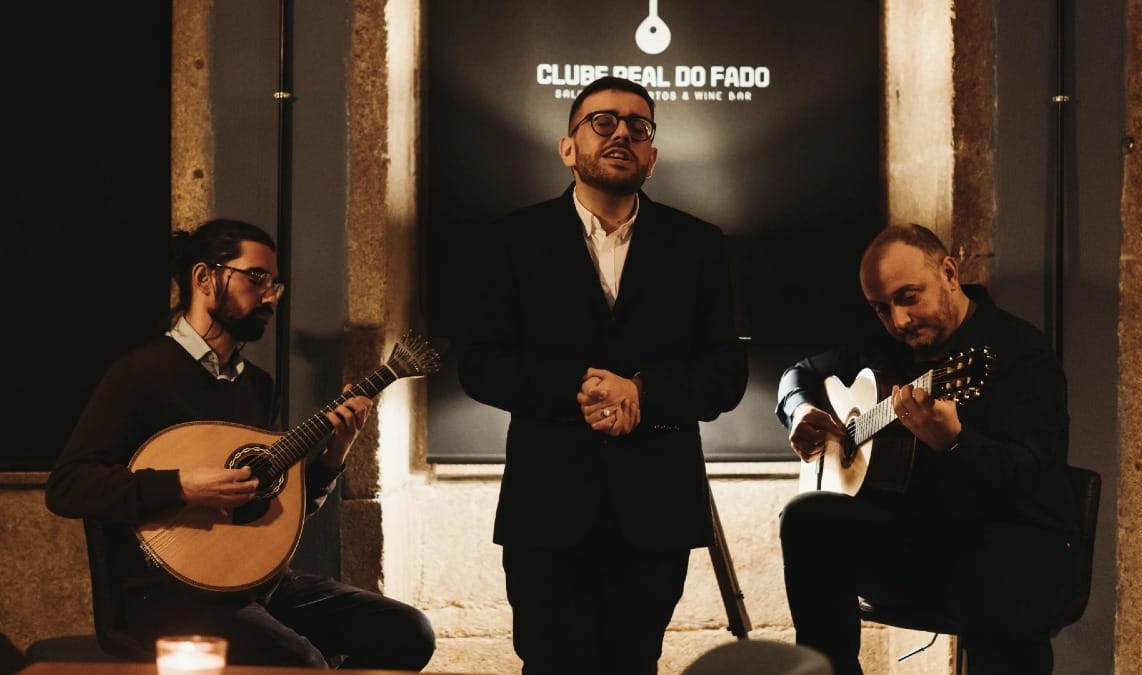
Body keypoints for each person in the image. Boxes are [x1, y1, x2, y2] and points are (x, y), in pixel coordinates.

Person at [452, 76, 749, 674]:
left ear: (653, 156)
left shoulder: (699, 245)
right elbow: (481, 366)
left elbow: (726, 373)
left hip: (656, 509)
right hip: (547, 507)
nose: (622, 134)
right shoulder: (509, 242)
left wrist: (642, 392)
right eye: (603, 122)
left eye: (639, 127)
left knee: (634, 664)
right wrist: (584, 391)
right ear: (569, 148)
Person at [45, 218, 436, 669]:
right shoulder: (140, 374)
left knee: (408, 632)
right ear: (204, 278)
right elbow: (68, 485)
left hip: (252, 582)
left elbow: (271, 504)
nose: (270, 295)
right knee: (303, 662)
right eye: (256, 278)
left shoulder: (257, 386)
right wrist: (182, 487)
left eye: (275, 284)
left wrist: (334, 454)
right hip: (163, 594)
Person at [774, 223, 1079, 675]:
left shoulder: (1018, 353)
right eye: (881, 309)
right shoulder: (884, 345)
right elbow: (797, 374)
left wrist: (955, 442)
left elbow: (1028, 477)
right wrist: (799, 411)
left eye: (908, 297)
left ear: (950, 273)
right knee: (806, 517)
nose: (898, 321)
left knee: (995, 570)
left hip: (1009, 542)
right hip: (916, 544)